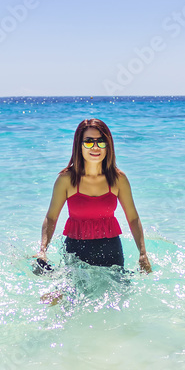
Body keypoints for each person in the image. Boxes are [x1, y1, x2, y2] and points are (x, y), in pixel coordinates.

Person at [33, 118, 151, 275]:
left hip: (111, 250)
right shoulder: (66, 179)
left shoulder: (118, 179)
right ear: (79, 145)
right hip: (75, 250)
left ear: (108, 145)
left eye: (101, 142)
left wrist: (142, 254)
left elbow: (133, 218)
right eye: (89, 142)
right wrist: (42, 250)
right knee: (70, 296)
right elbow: (51, 217)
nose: (95, 147)